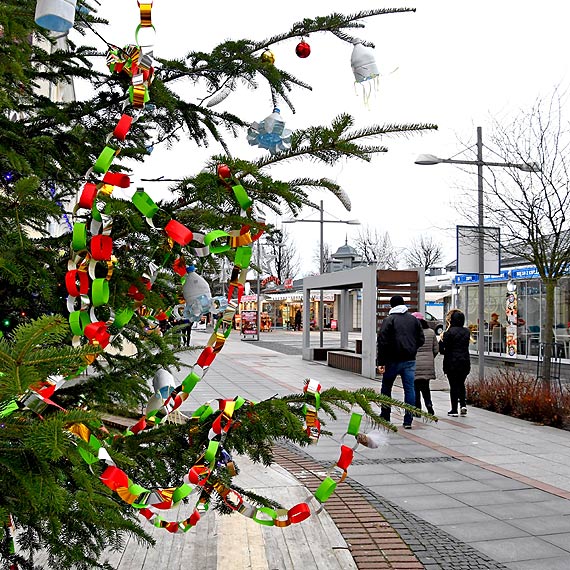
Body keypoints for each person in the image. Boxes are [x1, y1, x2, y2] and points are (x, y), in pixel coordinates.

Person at [377, 295, 425, 429]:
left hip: (391, 360)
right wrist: (412, 348)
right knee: (409, 389)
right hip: (409, 360)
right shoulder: (413, 320)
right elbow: (421, 339)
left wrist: (381, 362)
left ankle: (386, 415)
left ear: (391, 306)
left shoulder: (389, 320)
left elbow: (382, 342)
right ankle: (408, 420)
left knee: (386, 387)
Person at [439, 309, 471, 417]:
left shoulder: (448, 333)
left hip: (451, 363)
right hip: (465, 362)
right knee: (461, 384)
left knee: (453, 386)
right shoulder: (466, 332)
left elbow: (442, 349)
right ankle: (463, 405)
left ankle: (454, 409)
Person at [411, 312, 438, 415]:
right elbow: (436, 349)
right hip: (428, 364)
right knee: (426, 387)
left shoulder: (412, 333)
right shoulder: (431, 332)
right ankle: (429, 405)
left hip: (415, 364)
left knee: (415, 388)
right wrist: (430, 358)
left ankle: (417, 409)